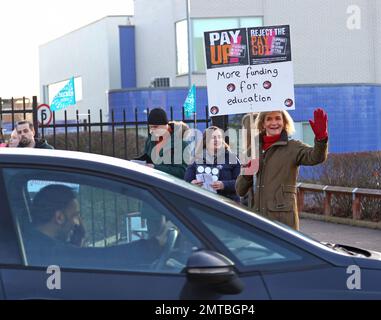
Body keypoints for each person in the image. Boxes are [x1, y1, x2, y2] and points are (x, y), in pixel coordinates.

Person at [23, 184, 167, 268]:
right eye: (75, 215)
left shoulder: (33, 242)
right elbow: (102, 258)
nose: (77, 222)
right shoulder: (47, 251)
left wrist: (76, 242)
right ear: (59, 217)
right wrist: (153, 246)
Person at [236, 108, 328, 230]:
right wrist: (248, 173)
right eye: (269, 119)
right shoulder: (252, 150)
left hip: (283, 220)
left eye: (278, 118)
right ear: (263, 124)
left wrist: (321, 139)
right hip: (257, 219)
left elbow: (316, 157)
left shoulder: (293, 147)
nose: (274, 123)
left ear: (284, 122)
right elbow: (240, 190)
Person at [184, 126, 241, 201]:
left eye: (219, 137)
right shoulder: (196, 158)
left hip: (228, 202)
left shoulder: (232, 158)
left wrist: (224, 185)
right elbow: (186, 181)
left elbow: (240, 183)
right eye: (213, 137)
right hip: (204, 202)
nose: (216, 140)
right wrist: (192, 183)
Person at [134, 108, 189, 179]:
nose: (152, 130)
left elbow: (182, 172)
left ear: (166, 124)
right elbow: (148, 158)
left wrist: (155, 168)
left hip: (170, 186)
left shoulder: (181, 143)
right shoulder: (150, 139)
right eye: (150, 127)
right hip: (153, 183)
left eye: (155, 127)